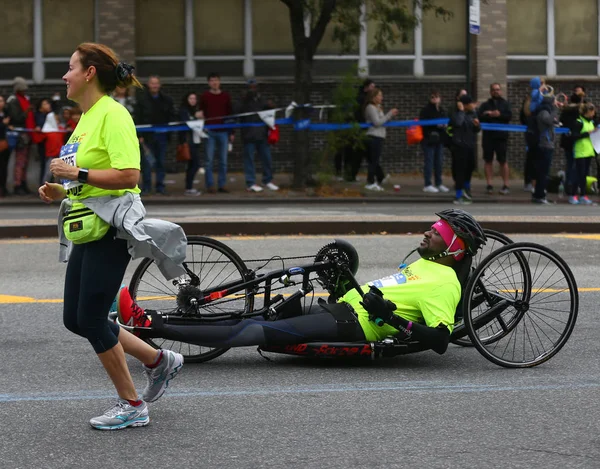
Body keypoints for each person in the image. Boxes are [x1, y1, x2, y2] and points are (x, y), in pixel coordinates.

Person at [38, 42, 184, 430]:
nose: (64, 75)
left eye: (70, 67)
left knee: (90, 316)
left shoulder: (114, 114)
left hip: (113, 230)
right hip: (87, 227)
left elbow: (128, 176)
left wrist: (77, 177)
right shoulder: (84, 119)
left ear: (89, 73)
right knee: (76, 318)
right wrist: (63, 191)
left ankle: (132, 404)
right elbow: (87, 180)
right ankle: (159, 361)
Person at [117, 209, 487, 356]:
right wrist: (343, 283)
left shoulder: (444, 284)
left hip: (352, 325)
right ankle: (147, 321)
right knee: (258, 312)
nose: (426, 232)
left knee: (250, 330)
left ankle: (150, 323)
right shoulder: (423, 265)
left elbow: (439, 339)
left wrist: (391, 318)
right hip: (341, 309)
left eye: (436, 232)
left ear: (454, 248)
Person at [134, 75, 176, 195]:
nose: (154, 86)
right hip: (147, 136)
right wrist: (140, 135)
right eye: (152, 83)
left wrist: (169, 131)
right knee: (147, 163)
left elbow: (171, 116)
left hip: (162, 136)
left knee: (161, 162)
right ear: (148, 85)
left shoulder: (167, 100)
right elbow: (138, 118)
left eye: (156, 83)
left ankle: (160, 186)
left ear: (160, 85)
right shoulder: (142, 100)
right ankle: (146, 187)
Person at [236, 79, 278, 193]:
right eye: (250, 87)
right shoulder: (243, 100)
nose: (252, 90)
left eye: (254, 87)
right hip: (248, 135)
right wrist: (244, 99)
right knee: (249, 160)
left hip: (262, 134)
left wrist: (271, 106)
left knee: (267, 158)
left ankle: (267, 180)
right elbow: (236, 111)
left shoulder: (261, 100)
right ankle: (250, 183)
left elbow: (269, 111)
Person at [199, 72, 234, 193]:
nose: (214, 83)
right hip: (209, 131)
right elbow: (201, 112)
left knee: (223, 160)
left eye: (216, 80)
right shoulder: (205, 96)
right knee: (209, 160)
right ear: (209, 82)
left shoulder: (226, 96)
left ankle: (222, 184)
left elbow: (230, 114)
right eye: (212, 80)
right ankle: (210, 185)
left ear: (219, 82)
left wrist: (231, 132)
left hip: (223, 131)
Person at [477, 83, 513, 195]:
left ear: (500, 91)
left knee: (503, 160)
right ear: (490, 91)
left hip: (501, 136)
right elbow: (479, 117)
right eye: (493, 90)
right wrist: (490, 114)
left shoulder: (505, 104)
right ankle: (489, 184)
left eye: (497, 89)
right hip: (488, 137)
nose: (496, 91)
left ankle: (506, 185)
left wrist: (499, 115)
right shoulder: (485, 105)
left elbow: (509, 116)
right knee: (488, 160)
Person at [363, 87, 398, 191]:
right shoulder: (370, 107)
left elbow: (382, 121)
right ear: (374, 97)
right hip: (374, 136)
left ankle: (379, 178)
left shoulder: (378, 107)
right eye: (379, 95)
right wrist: (389, 114)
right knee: (373, 161)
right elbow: (377, 123)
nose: (381, 98)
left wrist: (388, 116)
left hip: (379, 136)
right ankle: (370, 182)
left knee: (375, 160)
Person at [6, 77, 35, 195]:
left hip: (25, 134)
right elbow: (16, 118)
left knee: (24, 161)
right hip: (19, 135)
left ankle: (22, 182)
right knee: (20, 161)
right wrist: (27, 112)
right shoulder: (14, 101)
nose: (25, 91)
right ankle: (18, 184)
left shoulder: (22, 99)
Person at [449, 95, 480, 205]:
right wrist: (461, 110)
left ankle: (466, 190)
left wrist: (477, 125)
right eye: (471, 103)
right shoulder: (456, 114)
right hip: (459, 146)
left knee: (469, 168)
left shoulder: (472, 113)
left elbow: (475, 129)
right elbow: (457, 123)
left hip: (469, 145)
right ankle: (458, 195)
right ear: (465, 105)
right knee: (460, 171)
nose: (473, 105)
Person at [532, 89, 559, 204]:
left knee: (543, 172)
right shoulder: (544, 111)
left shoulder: (545, 110)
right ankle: (539, 195)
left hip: (547, 144)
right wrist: (555, 109)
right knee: (543, 172)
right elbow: (548, 120)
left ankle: (540, 194)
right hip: (545, 144)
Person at [419, 90, 449, 193]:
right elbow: (423, 123)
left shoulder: (441, 110)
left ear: (440, 98)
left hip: (439, 140)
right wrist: (435, 125)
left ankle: (439, 183)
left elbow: (445, 121)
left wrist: (444, 125)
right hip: (429, 140)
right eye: (432, 97)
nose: (434, 98)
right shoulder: (426, 110)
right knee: (429, 162)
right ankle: (427, 184)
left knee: (439, 162)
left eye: (436, 96)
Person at [569, 102, 598, 205]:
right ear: (588, 112)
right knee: (578, 174)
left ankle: (583, 195)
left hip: (588, 151)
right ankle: (573, 195)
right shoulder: (578, 122)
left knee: (584, 175)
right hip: (580, 152)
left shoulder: (591, 122)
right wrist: (588, 133)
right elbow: (574, 136)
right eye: (593, 112)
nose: (594, 114)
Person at [178, 92, 203, 196]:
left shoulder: (195, 110)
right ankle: (188, 187)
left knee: (192, 165)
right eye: (191, 98)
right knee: (195, 164)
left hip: (195, 140)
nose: (193, 100)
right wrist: (195, 116)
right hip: (189, 141)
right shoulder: (184, 111)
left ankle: (189, 187)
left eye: (194, 98)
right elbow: (186, 123)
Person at [0, 95, 10, 197]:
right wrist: (3, 124)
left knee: (4, 167)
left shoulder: (6, 113)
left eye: (2, 101)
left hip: (4, 143)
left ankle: (3, 187)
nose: (1, 103)